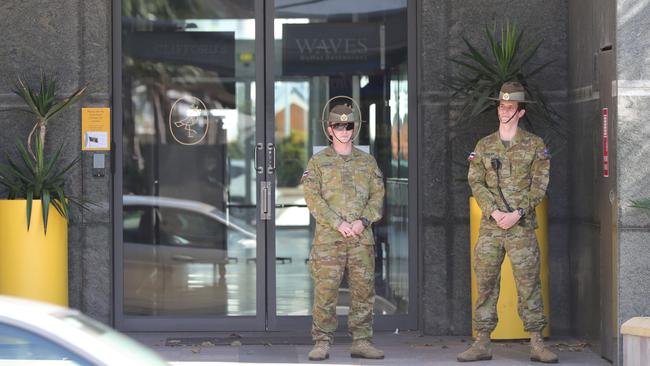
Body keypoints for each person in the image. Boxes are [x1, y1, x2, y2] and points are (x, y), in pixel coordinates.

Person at [458, 82, 558, 363]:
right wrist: (492, 211)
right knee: (486, 283)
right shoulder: (484, 145)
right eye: (502, 106)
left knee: (528, 284)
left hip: (521, 227)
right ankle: (481, 342)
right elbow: (475, 182)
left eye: (510, 107)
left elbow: (539, 186)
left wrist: (517, 213)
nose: (504, 111)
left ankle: (537, 343)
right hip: (491, 227)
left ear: (521, 112)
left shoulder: (535, 145)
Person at [302, 103, 385, 361]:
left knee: (363, 291)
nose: (345, 131)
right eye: (339, 126)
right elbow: (312, 198)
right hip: (329, 239)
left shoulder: (367, 161)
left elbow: (378, 195)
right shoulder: (318, 162)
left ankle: (361, 340)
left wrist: (363, 221)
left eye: (349, 126)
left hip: (361, 238)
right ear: (330, 129)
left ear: (354, 128)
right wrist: (337, 223)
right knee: (326, 291)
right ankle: (322, 341)